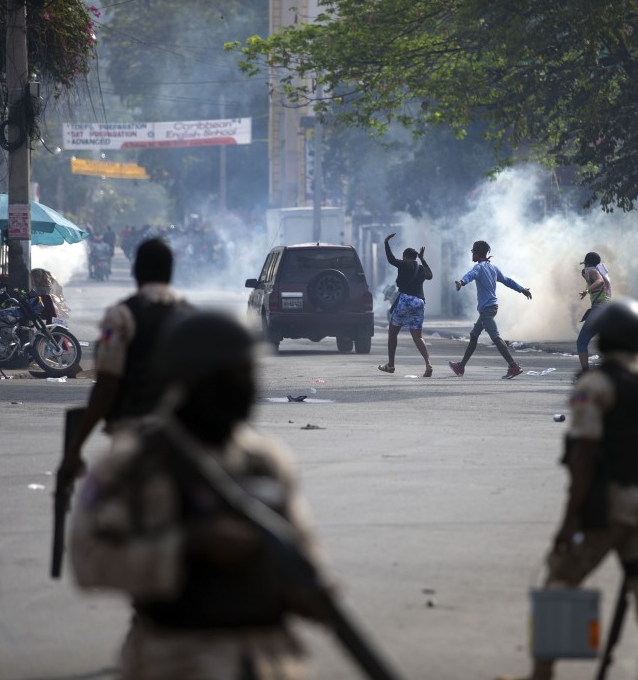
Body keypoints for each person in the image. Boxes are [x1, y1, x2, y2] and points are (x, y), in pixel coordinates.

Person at [69, 311, 333, 680]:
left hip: (270, 660)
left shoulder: (266, 460)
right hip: (177, 660)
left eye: (248, 375)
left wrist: (308, 590)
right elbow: (88, 560)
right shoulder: (135, 464)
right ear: (190, 380)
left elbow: (301, 547)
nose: (243, 389)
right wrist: (187, 546)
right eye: (229, 378)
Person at [500, 298, 638, 680]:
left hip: (607, 507)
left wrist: (569, 522)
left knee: (560, 585)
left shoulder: (595, 385)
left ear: (604, 338)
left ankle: (543, 674)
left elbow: (584, 457)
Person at [57, 238, 190, 492]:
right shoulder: (192, 317)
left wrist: (74, 449)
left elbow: (107, 385)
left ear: (136, 271)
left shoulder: (120, 316)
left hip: (133, 436)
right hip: (184, 439)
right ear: (170, 272)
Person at [449, 240, 532, 379]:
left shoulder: (479, 267)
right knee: (474, 335)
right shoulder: (493, 268)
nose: (472, 254)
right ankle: (460, 367)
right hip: (491, 308)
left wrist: (461, 282)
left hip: (487, 310)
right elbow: (507, 280)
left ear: (476, 253)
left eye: (473, 251)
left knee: (495, 337)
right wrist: (522, 289)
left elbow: (470, 275)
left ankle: (513, 366)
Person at [379, 232, 434, 377]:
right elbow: (430, 275)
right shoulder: (421, 269)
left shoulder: (405, 264)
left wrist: (386, 243)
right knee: (417, 336)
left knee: (393, 333)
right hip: (419, 302)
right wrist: (423, 259)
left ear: (405, 257)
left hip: (405, 301)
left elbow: (391, 259)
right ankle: (428, 363)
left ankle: (391, 365)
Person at [575, 251, 612, 375]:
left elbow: (599, 281)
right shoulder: (599, 271)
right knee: (605, 344)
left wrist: (587, 291)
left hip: (599, 309)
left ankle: (586, 374)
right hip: (606, 309)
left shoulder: (592, 271)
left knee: (581, 342)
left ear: (587, 263)